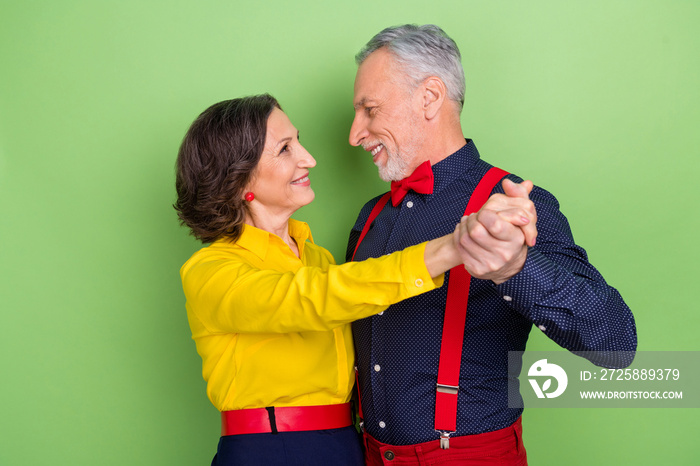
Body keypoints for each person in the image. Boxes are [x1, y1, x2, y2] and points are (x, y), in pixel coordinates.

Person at [174, 94, 535, 465]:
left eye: (298, 140)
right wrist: (453, 248)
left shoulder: (316, 258)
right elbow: (313, 299)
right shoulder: (211, 270)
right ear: (237, 178)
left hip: (350, 446)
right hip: (272, 451)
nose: (308, 158)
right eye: (285, 149)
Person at [346, 24, 638, 465]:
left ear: (429, 97)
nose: (354, 133)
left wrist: (516, 268)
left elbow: (616, 342)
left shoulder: (518, 205)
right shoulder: (370, 218)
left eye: (369, 109)